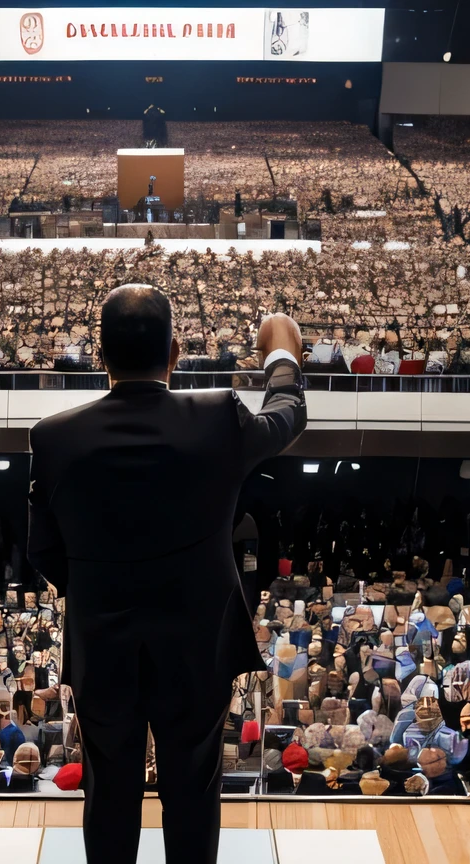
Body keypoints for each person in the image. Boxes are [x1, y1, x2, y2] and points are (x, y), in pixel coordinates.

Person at [26, 286, 306, 864]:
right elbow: (288, 414)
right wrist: (281, 353)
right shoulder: (217, 417)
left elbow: (43, 553)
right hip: (197, 646)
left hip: (101, 645)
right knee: (195, 785)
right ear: (175, 350)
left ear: (100, 355)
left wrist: (101, 589)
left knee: (108, 789)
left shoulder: (52, 438)